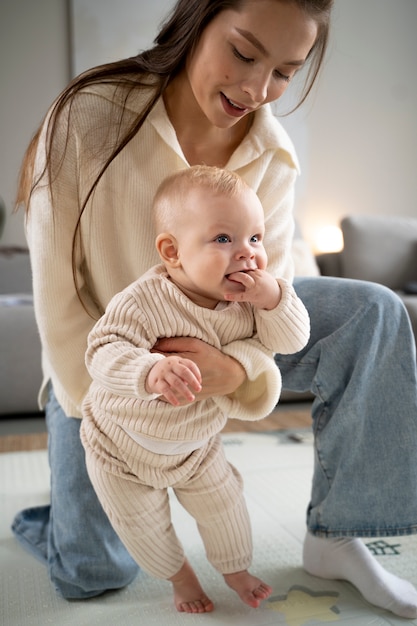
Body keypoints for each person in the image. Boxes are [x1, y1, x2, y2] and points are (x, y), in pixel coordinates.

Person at [12, 0, 417, 618]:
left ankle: (338, 533)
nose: (257, 88)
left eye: (284, 71)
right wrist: (112, 411)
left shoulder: (273, 158)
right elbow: (57, 296)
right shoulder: (90, 117)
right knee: (92, 572)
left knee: (375, 311)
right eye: (244, 52)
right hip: (109, 373)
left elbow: (264, 296)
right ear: (196, 23)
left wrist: (237, 375)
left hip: (221, 344)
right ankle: (55, 506)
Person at [80, 165, 310, 613]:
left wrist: (275, 298)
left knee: (226, 508)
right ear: (173, 251)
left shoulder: (251, 301)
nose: (247, 254)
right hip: (119, 447)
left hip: (197, 444)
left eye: (255, 239)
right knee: (142, 528)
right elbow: (103, 349)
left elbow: (292, 340)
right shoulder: (143, 300)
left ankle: (235, 570)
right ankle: (181, 578)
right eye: (224, 239)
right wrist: (147, 371)